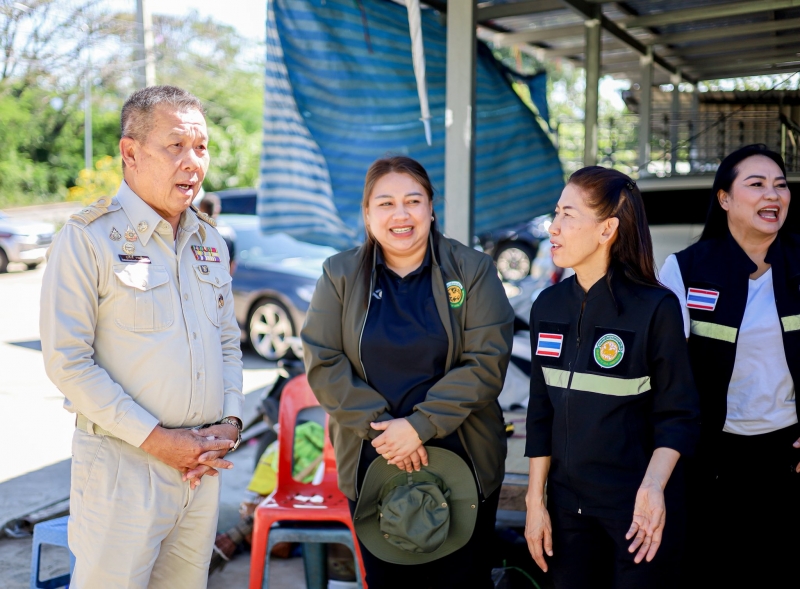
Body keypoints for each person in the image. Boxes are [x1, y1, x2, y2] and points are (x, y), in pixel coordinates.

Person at [40, 85, 244, 588]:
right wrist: (159, 441)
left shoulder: (209, 240)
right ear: (130, 153)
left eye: (201, 147)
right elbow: (68, 363)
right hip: (123, 467)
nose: (193, 162)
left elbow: (226, 342)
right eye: (176, 146)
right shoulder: (88, 239)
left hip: (200, 470)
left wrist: (231, 421)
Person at [301, 156, 515, 588]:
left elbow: (487, 361)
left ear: (431, 208)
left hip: (465, 459)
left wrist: (419, 426)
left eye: (413, 201)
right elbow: (323, 361)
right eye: (385, 203)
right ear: (367, 214)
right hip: (374, 458)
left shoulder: (472, 270)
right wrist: (384, 432)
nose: (400, 214)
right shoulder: (339, 274)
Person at [524, 166, 700, 589]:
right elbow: (541, 411)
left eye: (568, 215)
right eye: (556, 213)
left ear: (606, 230)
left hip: (636, 510)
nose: (554, 227)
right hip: (566, 512)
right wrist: (534, 501)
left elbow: (679, 415)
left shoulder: (656, 307)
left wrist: (653, 489)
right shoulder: (547, 305)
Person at [659, 144, 800, 588]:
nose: (772, 195)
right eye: (756, 184)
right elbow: (666, 374)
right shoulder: (685, 270)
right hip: (710, 457)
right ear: (724, 198)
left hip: (787, 453)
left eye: (780, 185)